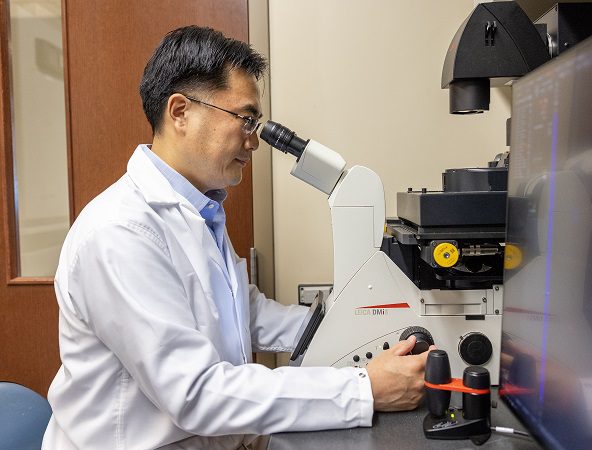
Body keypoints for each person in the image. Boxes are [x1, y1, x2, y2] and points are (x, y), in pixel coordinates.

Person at [42, 26, 432, 449]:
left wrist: (358, 326)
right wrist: (362, 389)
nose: (254, 142)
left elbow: (246, 314)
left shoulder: (201, 209)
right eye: (246, 120)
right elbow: (195, 393)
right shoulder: (121, 233)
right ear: (180, 112)